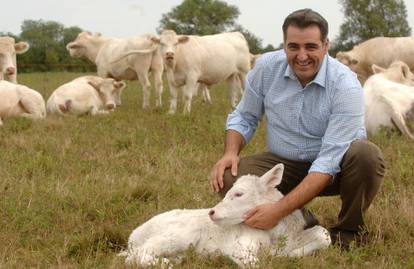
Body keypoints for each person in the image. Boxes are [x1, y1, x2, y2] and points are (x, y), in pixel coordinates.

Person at [209, 8, 385, 249]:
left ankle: (348, 232)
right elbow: (244, 116)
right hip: (284, 164)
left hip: (336, 168)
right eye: (294, 47)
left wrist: (278, 210)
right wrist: (230, 152)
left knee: (367, 155)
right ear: (284, 45)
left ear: (326, 45)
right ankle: (303, 220)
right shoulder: (266, 68)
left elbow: (327, 163)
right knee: (231, 176)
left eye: (311, 47)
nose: (302, 56)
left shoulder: (345, 85)